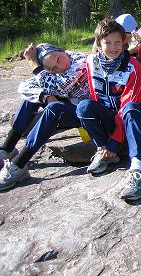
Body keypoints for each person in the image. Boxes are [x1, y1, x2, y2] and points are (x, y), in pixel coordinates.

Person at [76, 18, 141, 201]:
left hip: (135, 116)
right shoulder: (91, 62)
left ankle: (138, 170)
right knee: (83, 107)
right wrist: (107, 143)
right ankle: (104, 153)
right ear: (98, 43)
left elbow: (129, 103)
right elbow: (95, 95)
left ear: (124, 41)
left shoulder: (132, 66)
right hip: (111, 116)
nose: (113, 47)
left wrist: (115, 141)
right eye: (107, 42)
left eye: (118, 42)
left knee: (130, 108)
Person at [0, 44, 90, 191]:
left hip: (86, 113)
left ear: (62, 50)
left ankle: (18, 165)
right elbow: (24, 87)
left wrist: (34, 64)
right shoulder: (53, 69)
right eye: (53, 69)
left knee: (55, 108)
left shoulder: (80, 61)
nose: (60, 67)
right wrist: (46, 96)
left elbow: (60, 85)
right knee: (32, 98)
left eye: (58, 59)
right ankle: (8, 148)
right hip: (67, 108)